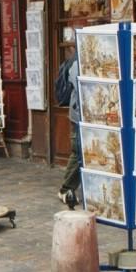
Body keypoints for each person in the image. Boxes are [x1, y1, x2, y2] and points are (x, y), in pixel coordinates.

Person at [58, 47, 81, 204]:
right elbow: (78, 84)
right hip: (79, 114)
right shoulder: (78, 62)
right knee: (78, 150)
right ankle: (66, 189)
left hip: (82, 114)